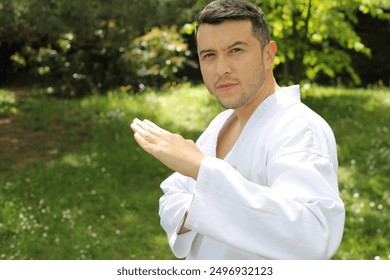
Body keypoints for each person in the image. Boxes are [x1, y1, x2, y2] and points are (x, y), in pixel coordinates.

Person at [130, 0, 345, 260]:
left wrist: (202, 170)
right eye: (209, 55)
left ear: (268, 54)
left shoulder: (298, 127)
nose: (221, 69)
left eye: (235, 50)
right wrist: (213, 194)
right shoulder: (220, 124)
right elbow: (171, 201)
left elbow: (311, 237)